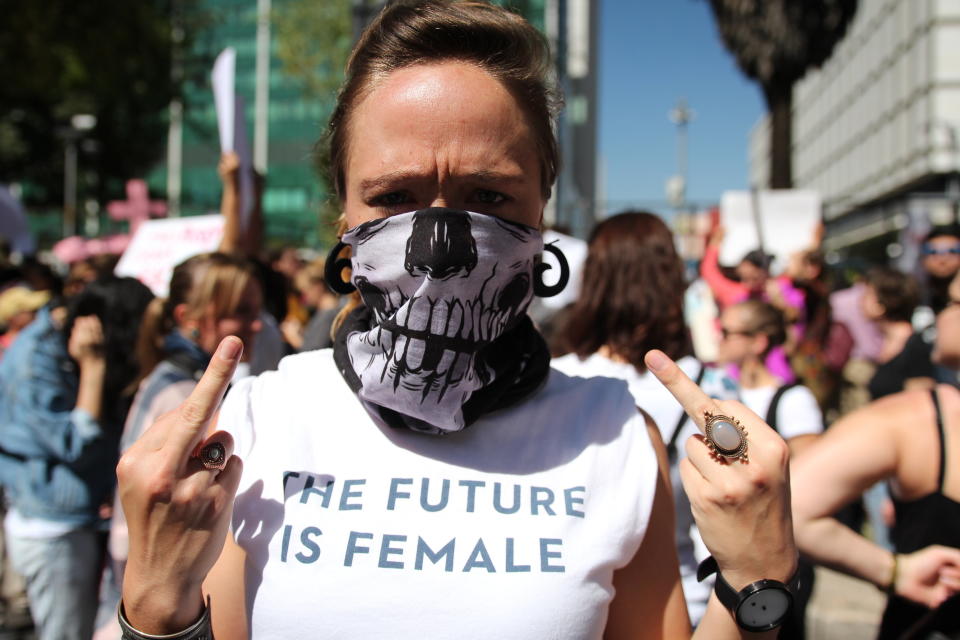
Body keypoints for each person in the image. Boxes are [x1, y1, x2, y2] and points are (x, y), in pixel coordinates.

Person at [115, 3, 797, 639]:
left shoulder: (612, 436)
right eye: (393, 196)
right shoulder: (260, 423)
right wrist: (154, 600)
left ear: (542, 210)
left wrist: (756, 574)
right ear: (344, 220)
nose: (439, 244)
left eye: (489, 195)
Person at [552, 211, 738, 626]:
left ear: (593, 277)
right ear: (671, 276)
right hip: (688, 600)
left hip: (574, 608)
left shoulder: (556, 380)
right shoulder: (712, 389)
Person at [93, 253, 262, 639]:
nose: (256, 323)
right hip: (144, 595)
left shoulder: (178, 376)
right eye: (239, 311)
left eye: (258, 308)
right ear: (188, 317)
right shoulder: (184, 396)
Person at [792, 269, 960, 640]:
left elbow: (789, 505)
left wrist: (893, 571)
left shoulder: (920, 416)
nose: (942, 314)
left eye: (952, 302)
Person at [0, 276, 153, 640]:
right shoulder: (36, 360)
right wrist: (94, 366)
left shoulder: (58, 344)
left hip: (79, 521)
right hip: (54, 528)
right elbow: (75, 444)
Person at [862, 268, 935, 400]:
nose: (860, 301)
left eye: (867, 295)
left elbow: (922, 400)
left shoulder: (915, 348)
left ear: (882, 303)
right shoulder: (887, 342)